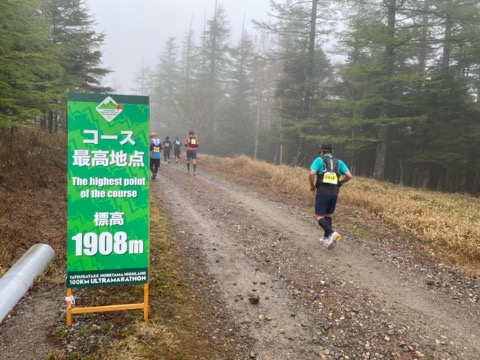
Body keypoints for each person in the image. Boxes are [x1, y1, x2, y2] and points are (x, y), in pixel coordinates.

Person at [308, 143, 352, 249]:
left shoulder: (319, 160)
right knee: (327, 215)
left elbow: (311, 173)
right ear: (332, 152)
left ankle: (332, 233)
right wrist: (340, 183)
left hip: (323, 191)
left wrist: (312, 186)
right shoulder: (339, 162)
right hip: (334, 192)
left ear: (322, 152)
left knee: (318, 216)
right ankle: (326, 238)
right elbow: (349, 176)